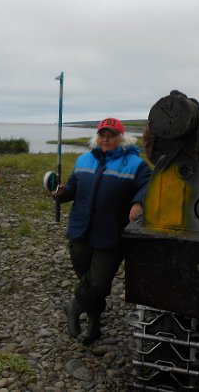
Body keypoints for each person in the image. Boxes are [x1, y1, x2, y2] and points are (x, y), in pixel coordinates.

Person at [54, 117, 152, 344]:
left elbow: (148, 185)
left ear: (121, 137)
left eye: (112, 136)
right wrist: (61, 192)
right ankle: (94, 326)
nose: (106, 140)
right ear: (97, 137)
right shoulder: (83, 160)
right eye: (103, 135)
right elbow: (72, 190)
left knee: (98, 284)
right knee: (88, 283)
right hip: (80, 232)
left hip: (111, 235)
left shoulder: (135, 164)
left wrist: (138, 202)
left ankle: (72, 307)